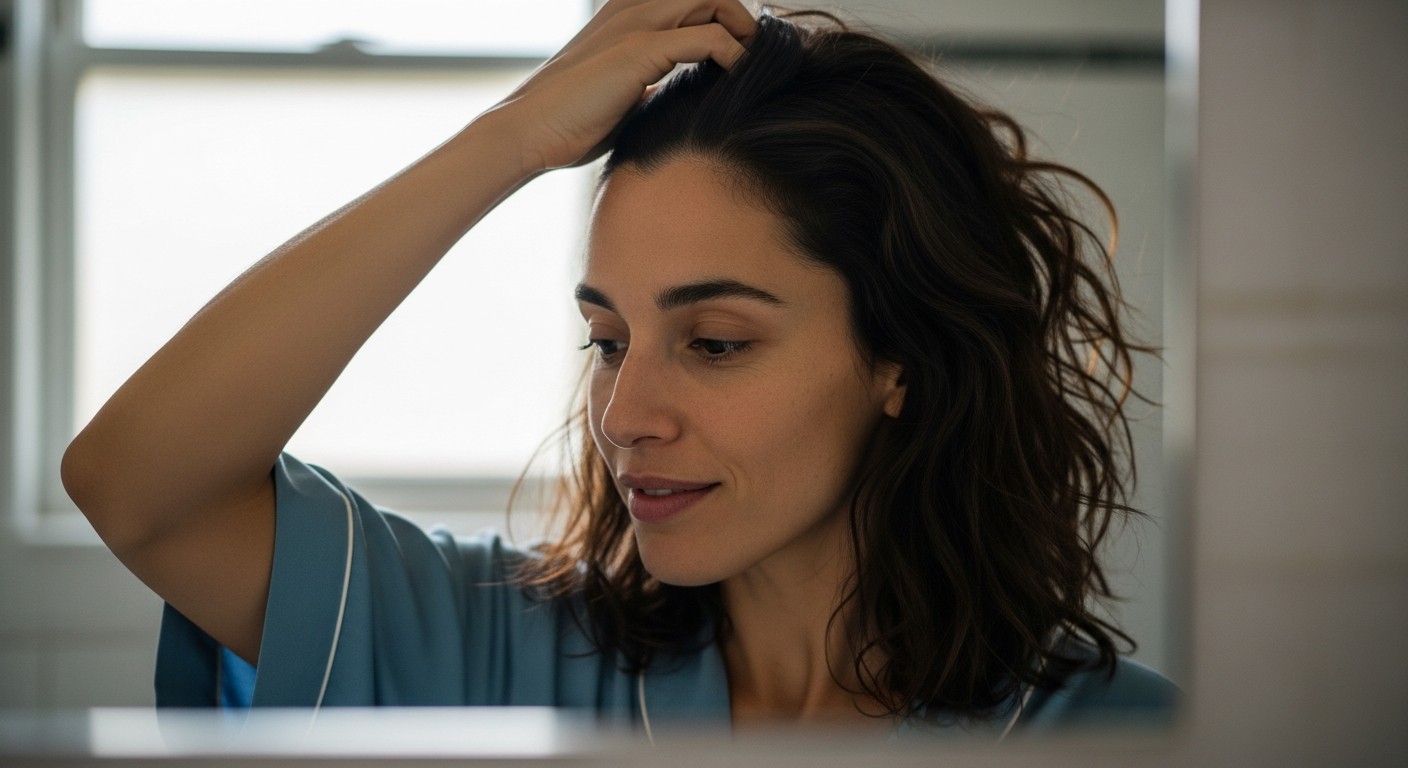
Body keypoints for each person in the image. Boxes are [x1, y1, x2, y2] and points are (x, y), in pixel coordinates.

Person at [62, 0, 1176, 738]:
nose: (623, 414)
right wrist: (514, 135)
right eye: (606, 340)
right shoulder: (496, 650)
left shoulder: (1126, 740)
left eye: (717, 343)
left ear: (902, 358)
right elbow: (137, 487)